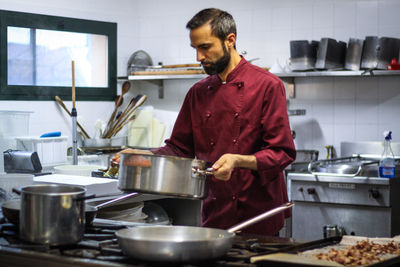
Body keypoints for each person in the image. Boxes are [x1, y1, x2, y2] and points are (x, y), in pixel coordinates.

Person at [115, 8, 295, 236]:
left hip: (258, 214)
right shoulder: (197, 92)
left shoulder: (268, 85)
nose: (198, 57)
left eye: (205, 47)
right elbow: (179, 147)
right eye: (195, 48)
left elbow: (282, 152)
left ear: (230, 40)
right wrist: (144, 155)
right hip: (215, 213)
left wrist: (237, 160)